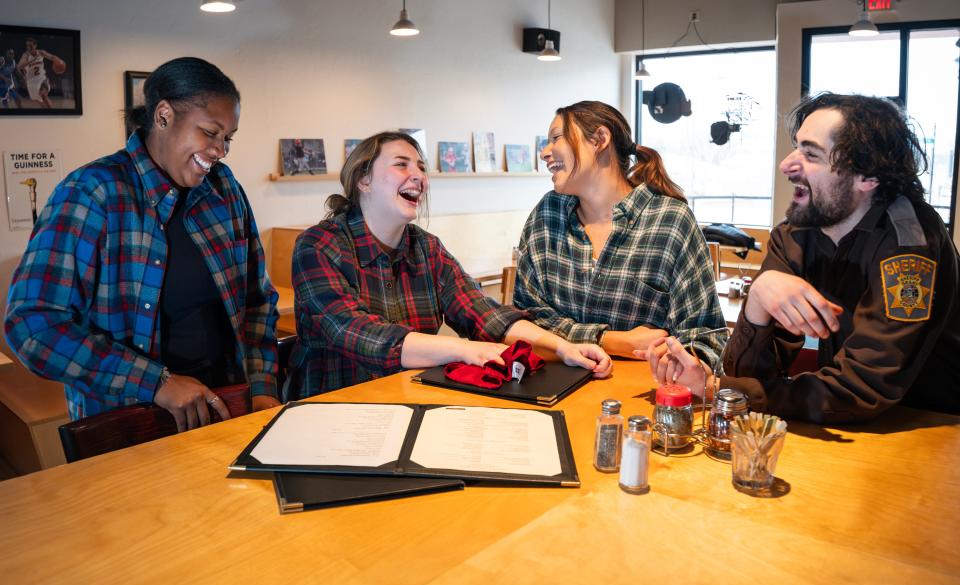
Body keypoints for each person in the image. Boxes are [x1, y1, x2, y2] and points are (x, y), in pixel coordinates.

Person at [650, 93, 960, 423]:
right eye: (796, 146)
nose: (787, 164)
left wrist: (721, 390)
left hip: (930, 425)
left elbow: (861, 387)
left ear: (867, 176)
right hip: (841, 424)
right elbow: (750, 372)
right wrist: (757, 300)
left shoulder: (909, 243)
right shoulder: (797, 234)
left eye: (810, 153)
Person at [5, 57, 280, 429]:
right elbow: (33, 324)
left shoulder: (224, 189)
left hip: (225, 407)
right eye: (210, 132)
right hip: (129, 420)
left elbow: (256, 300)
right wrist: (155, 382)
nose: (221, 150)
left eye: (227, 138)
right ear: (164, 115)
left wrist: (262, 386)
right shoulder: (92, 192)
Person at [287, 131, 612, 398]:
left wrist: (563, 347)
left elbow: (487, 316)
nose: (418, 176)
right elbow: (361, 334)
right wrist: (463, 350)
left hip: (409, 404)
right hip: (331, 415)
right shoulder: (319, 246)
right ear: (363, 180)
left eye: (421, 167)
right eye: (401, 165)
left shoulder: (427, 249)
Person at [513, 100, 726, 366]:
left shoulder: (669, 220)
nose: (545, 152)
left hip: (637, 396)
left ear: (599, 139)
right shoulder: (547, 214)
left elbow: (706, 339)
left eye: (556, 138)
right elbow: (525, 321)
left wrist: (680, 360)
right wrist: (611, 341)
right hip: (552, 392)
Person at [16, 38, 62, 108]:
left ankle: (53, 115)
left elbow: (52, 57)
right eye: (27, 46)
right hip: (31, 82)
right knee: (41, 103)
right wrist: (32, 60)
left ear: (35, 45)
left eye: (30, 45)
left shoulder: (41, 52)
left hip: (42, 79)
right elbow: (19, 66)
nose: (28, 47)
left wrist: (58, 60)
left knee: (44, 96)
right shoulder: (26, 55)